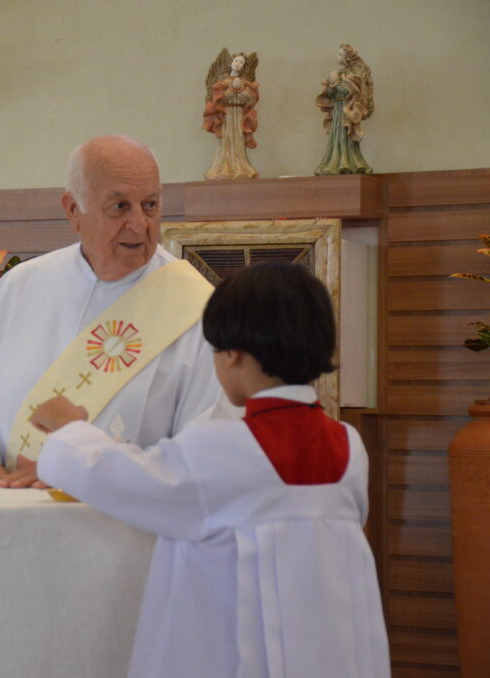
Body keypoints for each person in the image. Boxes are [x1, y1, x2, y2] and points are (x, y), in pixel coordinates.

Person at [31, 262, 390, 678]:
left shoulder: (222, 446)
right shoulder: (350, 446)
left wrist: (71, 427)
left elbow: (121, 477)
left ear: (232, 352)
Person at [0, 135, 229, 488]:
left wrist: (89, 472)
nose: (140, 224)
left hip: (125, 525)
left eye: (150, 205)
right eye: (119, 207)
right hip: (9, 513)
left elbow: (206, 447)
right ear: (73, 210)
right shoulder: (21, 287)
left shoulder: (196, 308)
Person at [315, 43, 374, 175]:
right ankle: (334, 162)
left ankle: (348, 162)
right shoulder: (336, 74)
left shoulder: (353, 76)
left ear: (347, 58)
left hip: (346, 111)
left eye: (340, 54)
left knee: (346, 137)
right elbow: (329, 94)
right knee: (336, 138)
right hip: (337, 111)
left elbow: (354, 93)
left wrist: (337, 84)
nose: (337, 57)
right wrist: (330, 87)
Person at [202, 49, 260, 180]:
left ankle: (240, 167)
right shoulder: (222, 83)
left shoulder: (246, 84)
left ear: (243, 67)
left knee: (237, 140)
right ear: (231, 63)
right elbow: (218, 98)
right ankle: (222, 169)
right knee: (226, 140)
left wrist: (240, 94)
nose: (238, 64)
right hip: (226, 116)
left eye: (241, 62)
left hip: (238, 114)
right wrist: (232, 92)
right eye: (236, 61)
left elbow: (251, 98)